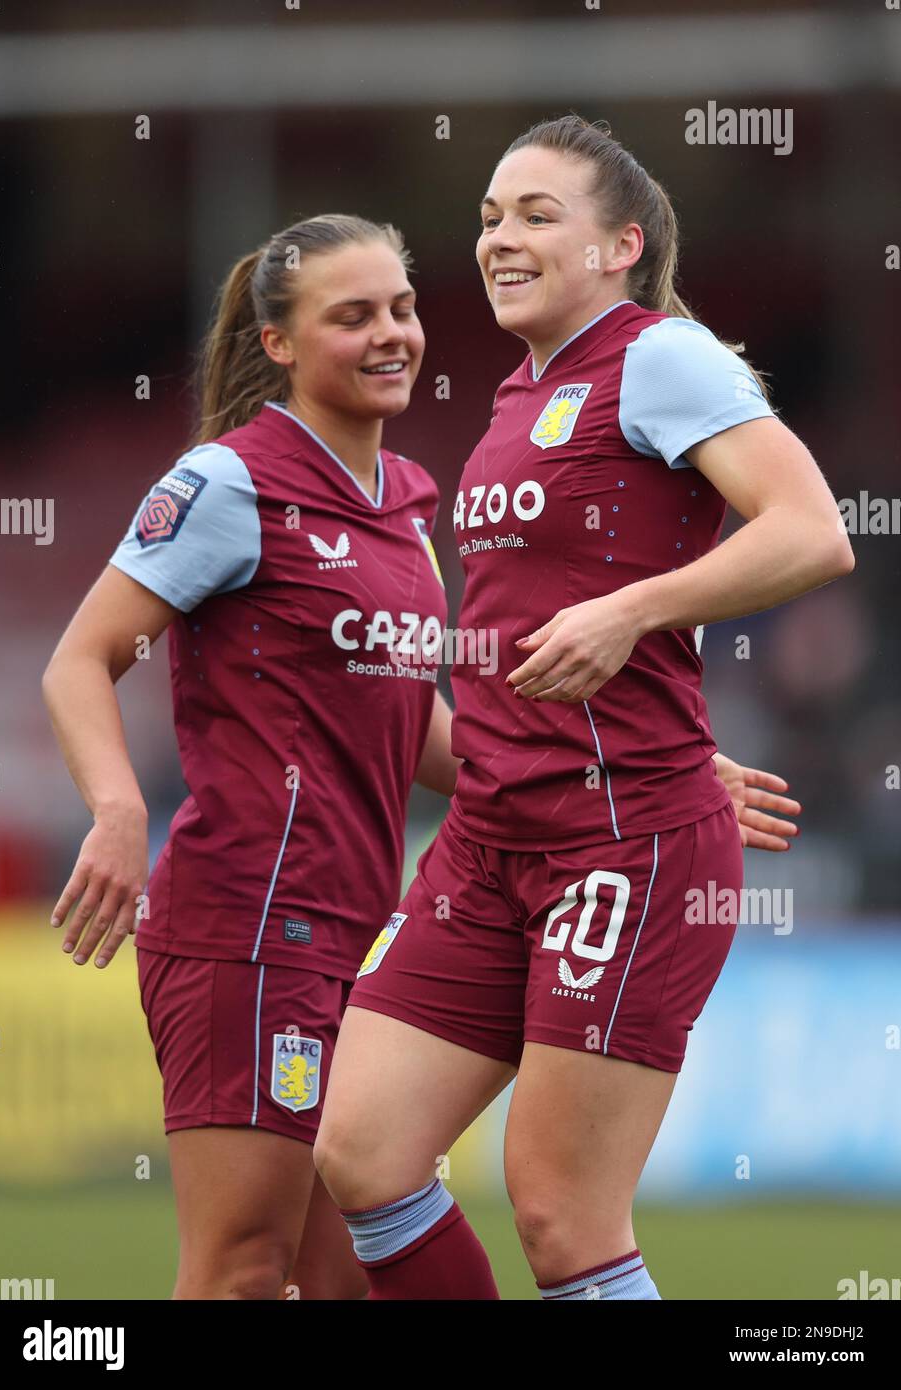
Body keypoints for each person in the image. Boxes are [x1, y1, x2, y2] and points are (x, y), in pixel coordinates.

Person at [314, 116, 854, 1301]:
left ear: (621, 243)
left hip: (621, 843)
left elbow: (811, 532)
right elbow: (528, 632)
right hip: (491, 833)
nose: (498, 239)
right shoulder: (518, 397)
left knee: (559, 1215)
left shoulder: (657, 356)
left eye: (534, 216)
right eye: (488, 220)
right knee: (359, 1151)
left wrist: (631, 614)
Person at [41, 214, 454, 1300]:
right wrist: (120, 812)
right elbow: (79, 661)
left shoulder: (408, 506)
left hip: (362, 942)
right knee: (240, 1271)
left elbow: (422, 729)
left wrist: (629, 779)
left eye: (401, 310)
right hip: (250, 927)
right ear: (277, 343)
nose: (389, 336)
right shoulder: (228, 486)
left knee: (342, 1283)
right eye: (352, 315)